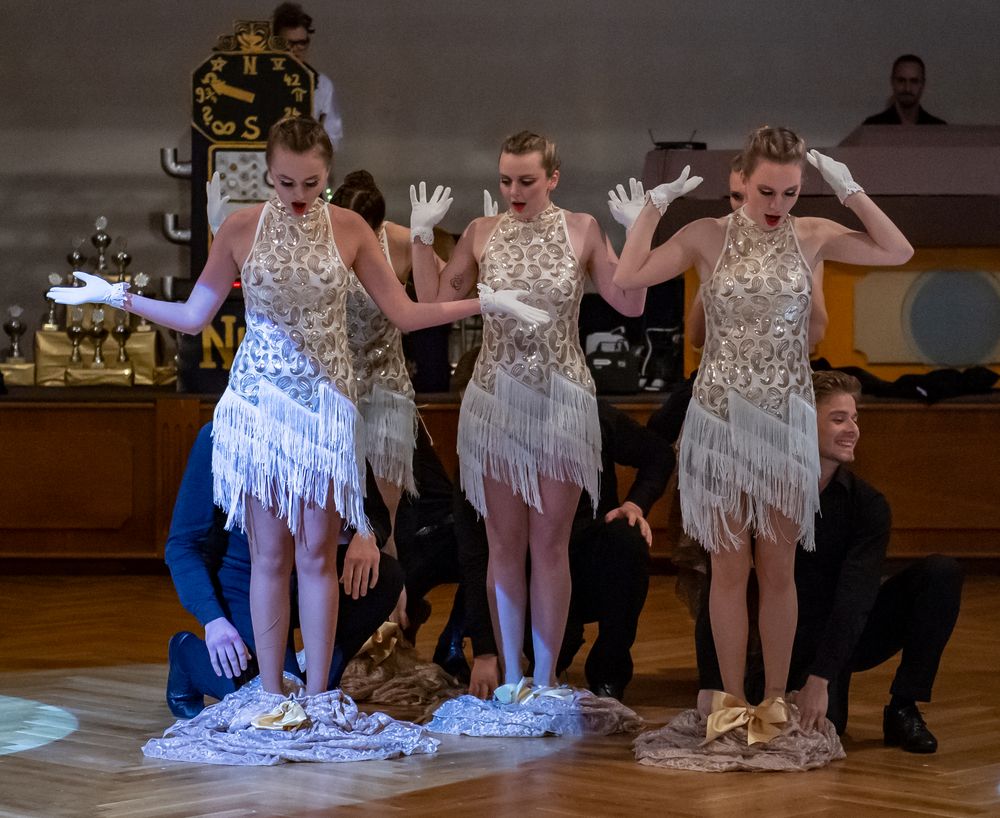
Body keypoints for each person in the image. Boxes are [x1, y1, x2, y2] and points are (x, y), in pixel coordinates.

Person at [47, 116, 546, 708]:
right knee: (271, 557)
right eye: (286, 183)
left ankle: (313, 697)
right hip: (259, 409)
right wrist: (112, 295)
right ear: (268, 174)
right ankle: (270, 698)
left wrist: (486, 301)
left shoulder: (352, 228)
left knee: (315, 558)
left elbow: (407, 314)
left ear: (327, 176)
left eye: (311, 184)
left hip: (325, 415)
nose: (299, 197)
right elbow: (192, 316)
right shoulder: (240, 228)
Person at [611, 126, 913, 736]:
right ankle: (729, 701)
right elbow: (627, 277)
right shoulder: (706, 236)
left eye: (792, 193)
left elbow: (898, 250)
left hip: (783, 423)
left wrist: (849, 190)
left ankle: (774, 701)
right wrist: (654, 205)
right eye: (767, 192)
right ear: (740, 183)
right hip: (719, 424)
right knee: (728, 569)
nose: (778, 206)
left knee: (777, 569)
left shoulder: (813, 235)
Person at [409, 130, 647, 701]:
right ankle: (514, 677)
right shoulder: (480, 232)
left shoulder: (583, 228)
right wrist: (420, 237)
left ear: (553, 178)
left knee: (550, 546)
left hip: (562, 401)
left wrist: (641, 230)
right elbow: (430, 305)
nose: (514, 191)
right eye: (506, 180)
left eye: (526, 180)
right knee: (503, 546)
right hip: (496, 402)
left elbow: (630, 303)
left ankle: (544, 679)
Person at [695, 370, 963, 753]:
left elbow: (858, 594)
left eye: (855, 419)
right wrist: (711, 678)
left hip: (841, 634)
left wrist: (820, 679)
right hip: (778, 645)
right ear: (802, 425)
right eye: (838, 419)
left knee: (940, 574)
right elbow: (721, 585)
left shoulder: (867, 504)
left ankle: (904, 707)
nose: (852, 429)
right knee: (828, 725)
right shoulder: (754, 496)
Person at [164, 422, 402, 718]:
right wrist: (212, 618)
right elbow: (182, 544)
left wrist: (366, 534)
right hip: (242, 579)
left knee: (385, 575)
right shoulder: (222, 431)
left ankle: (325, 681)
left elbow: (373, 514)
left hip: (313, 575)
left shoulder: (331, 424)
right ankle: (185, 655)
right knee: (260, 698)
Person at [454, 399, 672, 702]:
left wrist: (635, 503)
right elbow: (477, 553)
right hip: (524, 580)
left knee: (627, 540)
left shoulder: (588, 415)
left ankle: (609, 671)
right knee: (552, 644)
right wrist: (485, 651)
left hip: (587, 558)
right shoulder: (488, 434)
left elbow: (658, 453)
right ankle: (523, 673)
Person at [272, 3, 344, 150]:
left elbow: (332, 135)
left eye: (302, 43)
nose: (296, 49)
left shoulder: (321, 85)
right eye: (288, 43)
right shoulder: (263, 80)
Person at [862, 54, 946, 126]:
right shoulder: (873, 126)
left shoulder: (938, 128)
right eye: (901, 80)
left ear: (923, 84)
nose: (907, 88)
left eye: (914, 81)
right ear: (892, 82)